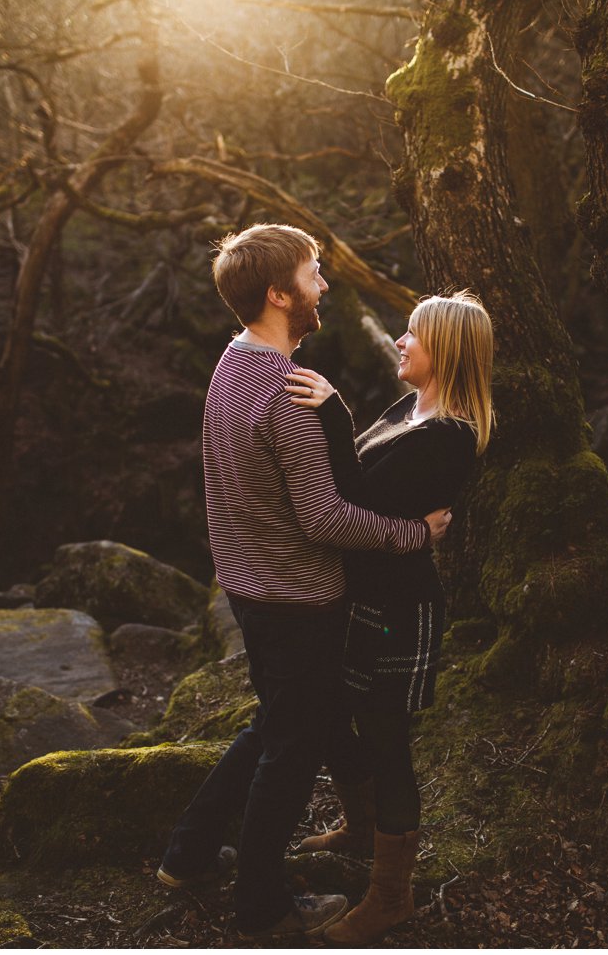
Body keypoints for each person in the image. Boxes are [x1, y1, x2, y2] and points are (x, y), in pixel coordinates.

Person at [155, 224, 453, 941]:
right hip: (297, 599)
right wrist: (414, 534)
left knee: (274, 728)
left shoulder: (232, 365)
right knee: (291, 748)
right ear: (280, 293)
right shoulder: (286, 394)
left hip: (249, 588)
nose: (325, 285)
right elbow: (323, 519)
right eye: (314, 273)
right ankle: (263, 907)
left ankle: (188, 854)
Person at [283, 289, 494, 945]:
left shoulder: (452, 436)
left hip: (398, 610)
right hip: (358, 595)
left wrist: (335, 415)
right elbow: (361, 502)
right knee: (330, 718)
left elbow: (355, 498)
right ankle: (357, 824)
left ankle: (390, 895)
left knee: (386, 743)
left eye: (413, 335)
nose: (400, 342)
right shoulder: (411, 407)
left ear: (447, 352)